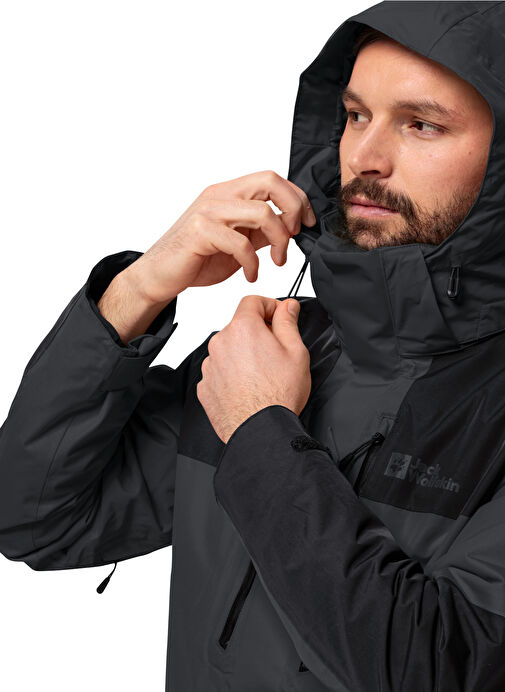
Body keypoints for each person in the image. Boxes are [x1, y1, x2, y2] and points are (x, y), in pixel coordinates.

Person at [0, 1, 504, 689]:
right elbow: (34, 519)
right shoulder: (269, 350)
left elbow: (443, 669)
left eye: (421, 124)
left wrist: (261, 433)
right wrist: (136, 291)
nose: (363, 158)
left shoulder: (251, 387)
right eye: (356, 115)